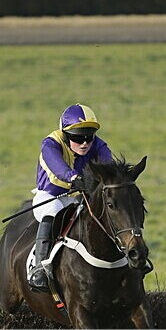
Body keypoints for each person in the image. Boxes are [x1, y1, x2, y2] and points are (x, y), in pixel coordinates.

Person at [29, 104, 113, 291]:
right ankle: (39, 269)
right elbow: (58, 168)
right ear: (65, 135)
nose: (84, 143)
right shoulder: (50, 144)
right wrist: (74, 179)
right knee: (53, 211)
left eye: (89, 137)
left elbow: (109, 166)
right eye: (77, 138)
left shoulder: (98, 145)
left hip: (79, 198)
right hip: (50, 196)